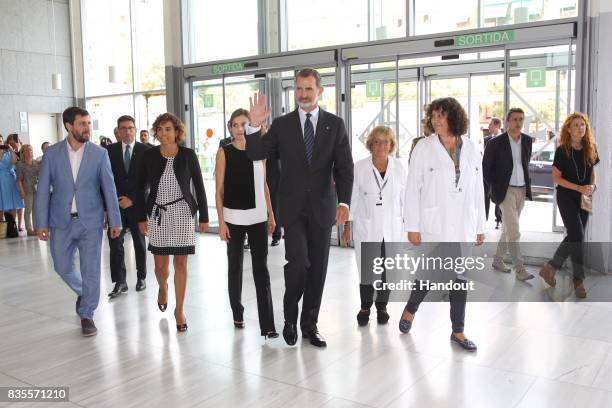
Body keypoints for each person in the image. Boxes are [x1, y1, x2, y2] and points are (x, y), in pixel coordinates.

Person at [246, 68, 354, 348]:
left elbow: (344, 167)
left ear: (320, 90)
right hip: (292, 208)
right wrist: (254, 127)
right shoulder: (282, 125)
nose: (303, 94)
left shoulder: (335, 124)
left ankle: (310, 324)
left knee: (317, 268)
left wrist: (344, 202)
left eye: (308, 89)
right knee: (298, 263)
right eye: (299, 89)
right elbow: (256, 153)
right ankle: (290, 320)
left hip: (322, 207)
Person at [400, 97, 485, 352]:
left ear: (454, 118)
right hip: (433, 222)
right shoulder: (423, 148)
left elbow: (478, 188)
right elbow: (412, 189)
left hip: (463, 223)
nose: (436, 120)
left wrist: (480, 225)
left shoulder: (471, 148)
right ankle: (410, 309)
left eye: (441, 115)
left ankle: (458, 331)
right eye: (433, 115)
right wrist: (412, 226)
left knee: (459, 277)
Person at [35, 107, 122, 337]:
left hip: (90, 221)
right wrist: (40, 222)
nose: (87, 128)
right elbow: (43, 190)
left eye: (88, 123)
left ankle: (87, 314)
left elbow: (109, 188)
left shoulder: (99, 154)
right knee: (62, 266)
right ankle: (86, 292)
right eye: (82, 123)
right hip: (60, 221)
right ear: (68, 126)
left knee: (91, 269)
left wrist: (115, 219)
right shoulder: (52, 154)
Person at [136, 113, 208, 332]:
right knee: (160, 267)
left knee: (180, 264)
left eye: (167, 129)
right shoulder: (149, 156)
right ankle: (163, 287)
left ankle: (179, 310)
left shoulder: (188, 155)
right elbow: (140, 188)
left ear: (177, 132)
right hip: (158, 213)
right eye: (159, 129)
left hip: (183, 213)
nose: (163, 133)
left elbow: (199, 185)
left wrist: (204, 216)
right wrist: (141, 217)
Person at [215, 108, 278, 339]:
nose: (240, 129)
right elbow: (219, 190)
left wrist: (271, 215)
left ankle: (268, 325)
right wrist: (221, 222)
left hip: (258, 217)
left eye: (244, 124)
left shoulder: (258, 151)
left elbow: (264, 186)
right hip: (233, 219)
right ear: (230, 128)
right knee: (235, 268)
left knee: (262, 270)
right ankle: (237, 312)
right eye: (235, 125)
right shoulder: (224, 152)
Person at [341, 126, 406, 326]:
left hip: (392, 227)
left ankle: (382, 307)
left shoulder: (399, 167)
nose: (382, 146)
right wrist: (347, 226)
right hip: (367, 225)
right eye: (377, 141)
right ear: (371, 144)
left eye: (386, 141)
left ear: (391, 145)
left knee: (387, 270)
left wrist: (410, 226)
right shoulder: (359, 167)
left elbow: (405, 199)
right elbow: (352, 197)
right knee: (367, 269)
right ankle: (365, 306)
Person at [539, 112, 599, 298]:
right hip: (566, 197)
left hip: (585, 197)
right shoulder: (562, 150)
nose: (580, 128)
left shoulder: (591, 148)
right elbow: (556, 177)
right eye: (576, 125)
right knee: (577, 234)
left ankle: (550, 267)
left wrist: (592, 186)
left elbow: (592, 172)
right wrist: (578, 187)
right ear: (568, 128)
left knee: (575, 237)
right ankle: (578, 280)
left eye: (583, 125)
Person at [483, 108, 534, 281]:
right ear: (507, 121)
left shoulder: (527, 140)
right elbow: (486, 169)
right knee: (514, 230)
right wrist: (495, 187)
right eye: (514, 119)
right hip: (505, 191)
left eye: (521, 119)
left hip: (521, 189)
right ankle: (520, 269)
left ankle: (498, 260)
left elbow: (525, 164)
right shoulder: (495, 143)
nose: (518, 122)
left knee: (507, 229)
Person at [106, 115, 150, 298]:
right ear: (118, 131)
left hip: (137, 205)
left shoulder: (146, 150)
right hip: (116, 206)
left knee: (140, 244)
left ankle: (141, 278)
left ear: (135, 129)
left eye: (130, 127)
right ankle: (120, 282)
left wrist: (131, 199)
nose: (127, 131)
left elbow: (148, 180)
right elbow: (105, 178)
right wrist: (114, 200)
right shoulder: (108, 151)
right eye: (123, 128)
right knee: (115, 244)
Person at [15, 144, 39, 236]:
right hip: (26, 189)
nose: (29, 152)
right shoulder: (20, 164)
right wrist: (22, 191)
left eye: (31, 150)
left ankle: (36, 227)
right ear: (23, 152)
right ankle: (29, 229)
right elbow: (19, 179)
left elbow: (39, 174)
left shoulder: (35, 162)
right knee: (28, 210)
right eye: (27, 150)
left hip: (36, 189)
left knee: (35, 210)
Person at [484, 118, 503, 228]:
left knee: (499, 198)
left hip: (499, 174)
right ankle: (484, 219)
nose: (488, 127)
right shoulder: (487, 139)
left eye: (490, 124)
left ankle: (499, 218)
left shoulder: (504, 139)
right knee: (485, 196)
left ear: (496, 125)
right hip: (487, 173)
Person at [0, 141, 24, 224]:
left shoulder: (8, 153)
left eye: (0, 141)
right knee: (1, 202)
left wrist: (11, 150)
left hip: (10, 179)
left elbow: (14, 162)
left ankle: (12, 225)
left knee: (12, 202)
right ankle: (2, 226)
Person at [6, 134, 24, 231]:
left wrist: (18, 148)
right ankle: (13, 224)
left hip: (20, 178)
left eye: (14, 141)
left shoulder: (21, 149)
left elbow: (22, 161)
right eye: (11, 141)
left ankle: (20, 225)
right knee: (11, 202)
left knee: (19, 203)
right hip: (12, 177)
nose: (12, 143)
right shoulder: (6, 151)